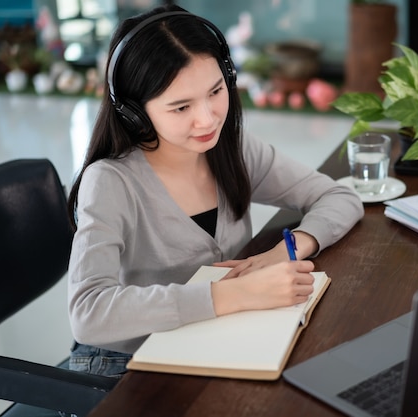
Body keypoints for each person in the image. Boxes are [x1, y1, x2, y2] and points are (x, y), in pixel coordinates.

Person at [66, 4, 364, 378]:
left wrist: (286, 250)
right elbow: (88, 314)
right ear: (134, 113)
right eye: (181, 107)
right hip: (124, 363)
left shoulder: (232, 148)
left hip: (210, 339)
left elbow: (340, 197)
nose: (207, 119)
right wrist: (235, 295)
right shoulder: (110, 182)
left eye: (215, 91)